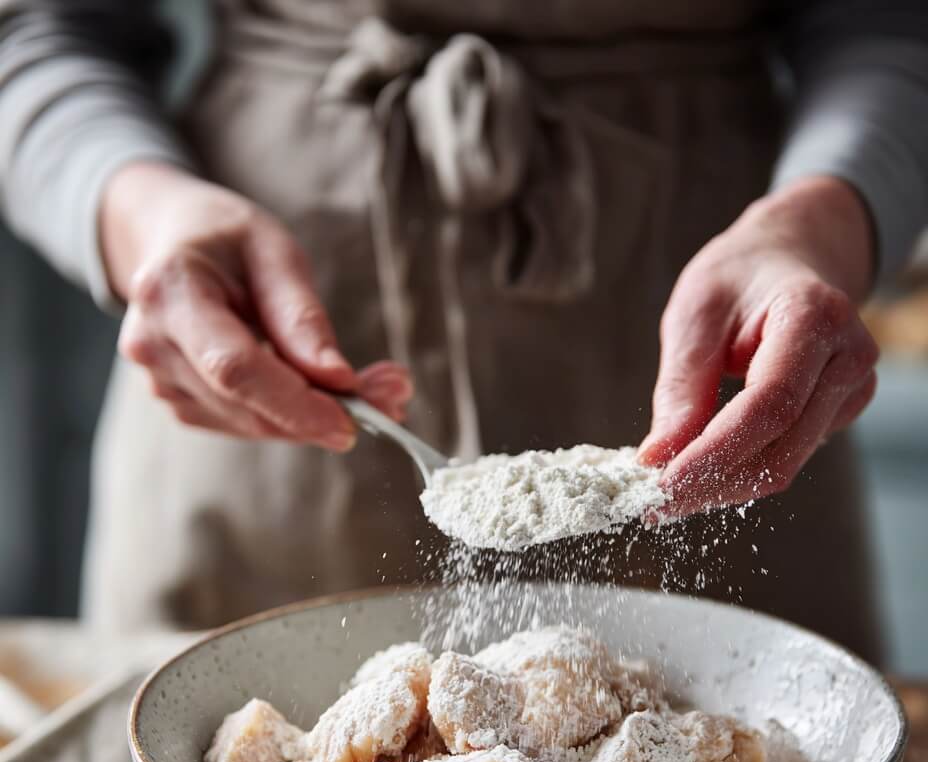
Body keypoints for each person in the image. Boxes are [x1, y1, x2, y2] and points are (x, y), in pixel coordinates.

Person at [1, 2, 926, 659]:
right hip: (264, 310)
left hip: (719, 314)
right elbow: (32, 27)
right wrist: (137, 218)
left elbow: (895, 25)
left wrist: (827, 221)